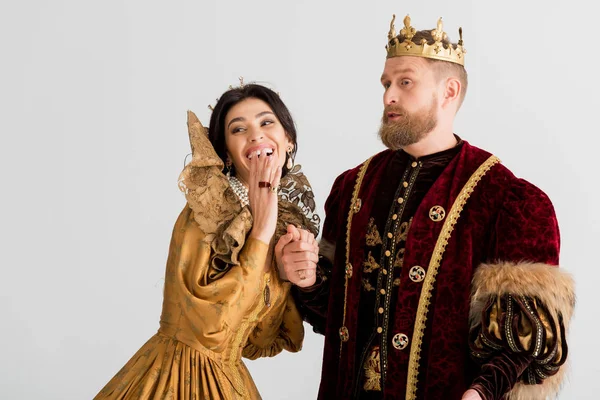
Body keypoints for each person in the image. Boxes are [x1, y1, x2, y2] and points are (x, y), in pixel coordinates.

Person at [276, 15, 575, 400]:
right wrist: (306, 279)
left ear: (449, 91)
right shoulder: (352, 187)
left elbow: (526, 338)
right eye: (386, 83)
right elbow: (334, 314)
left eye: (405, 82)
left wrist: (482, 392)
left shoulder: (508, 201)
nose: (388, 97)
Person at [95, 83, 320, 399]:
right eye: (238, 128)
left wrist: (285, 277)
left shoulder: (282, 221)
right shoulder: (206, 212)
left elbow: (256, 343)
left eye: (266, 122)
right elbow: (209, 329)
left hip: (229, 381)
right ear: (227, 153)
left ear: (288, 141)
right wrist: (262, 229)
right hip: (174, 378)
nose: (255, 135)